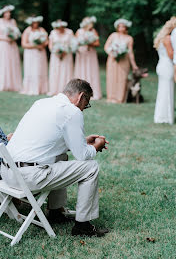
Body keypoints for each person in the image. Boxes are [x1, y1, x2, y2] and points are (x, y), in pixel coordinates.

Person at [1, 79, 109, 237]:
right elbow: (82, 156)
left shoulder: (41, 103)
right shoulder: (72, 111)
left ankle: (56, 212)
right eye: (87, 103)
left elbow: (46, 142)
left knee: (61, 156)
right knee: (91, 167)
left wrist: (82, 142)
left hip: (7, 173)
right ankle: (82, 226)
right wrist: (95, 147)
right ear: (81, 97)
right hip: (28, 178)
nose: (84, 108)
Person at [154, 17, 176, 124]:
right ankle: (166, 117)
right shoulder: (168, 38)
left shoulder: (161, 38)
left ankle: (161, 116)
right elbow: (171, 55)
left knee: (163, 91)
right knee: (167, 91)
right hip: (168, 66)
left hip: (161, 65)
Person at [104, 18, 138, 103]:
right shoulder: (113, 35)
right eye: (119, 26)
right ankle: (111, 97)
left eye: (123, 26)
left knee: (122, 78)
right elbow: (106, 46)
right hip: (112, 59)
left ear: (126, 28)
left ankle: (120, 98)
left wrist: (134, 65)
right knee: (111, 78)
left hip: (124, 60)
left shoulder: (129, 38)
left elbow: (130, 52)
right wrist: (112, 53)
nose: (121, 28)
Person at [74, 16, 102, 100]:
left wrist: (89, 43)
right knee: (81, 70)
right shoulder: (79, 31)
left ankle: (93, 92)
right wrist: (81, 43)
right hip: (82, 53)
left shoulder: (94, 31)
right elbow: (74, 42)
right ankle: (79, 91)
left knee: (91, 70)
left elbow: (97, 43)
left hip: (91, 54)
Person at [21, 16, 48, 95]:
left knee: (40, 69)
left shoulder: (42, 30)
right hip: (30, 54)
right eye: (34, 22)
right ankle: (30, 88)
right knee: (31, 69)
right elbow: (24, 44)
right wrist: (35, 46)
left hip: (40, 53)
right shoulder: (27, 30)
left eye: (37, 22)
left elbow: (46, 41)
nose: (36, 24)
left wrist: (42, 45)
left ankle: (41, 88)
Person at [48, 20, 76, 95]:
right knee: (55, 71)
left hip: (67, 55)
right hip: (55, 56)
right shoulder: (53, 33)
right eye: (58, 27)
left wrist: (65, 51)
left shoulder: (69, 32)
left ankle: (67, 90)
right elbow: (50, 46)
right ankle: (54, 89)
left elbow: (73, 44)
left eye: (61, 27)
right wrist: (56, 52)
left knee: (66, 71)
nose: (60, 29)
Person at [0, 5, 22, 92]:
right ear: (3, 13)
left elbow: (17, 34)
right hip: (3, 44)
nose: (8, 14)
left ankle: (13, 83)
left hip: (12, 44)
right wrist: (6, 39)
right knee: (4, 62)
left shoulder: (13, 21)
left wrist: (13, 37)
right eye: (6, 12)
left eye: (9, 12)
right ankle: (3, 83)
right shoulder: (0, 21)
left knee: (13, 62)